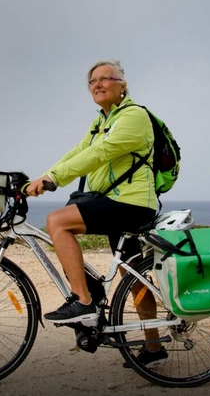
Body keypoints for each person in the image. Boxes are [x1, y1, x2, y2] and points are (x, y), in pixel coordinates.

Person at [26, 60, 167, 367]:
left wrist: (53, 179)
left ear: (122, 86)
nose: (98, 84)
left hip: (130, 203)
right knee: (135, 279)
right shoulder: (102, 120)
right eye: (93, 81)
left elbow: (99, 153)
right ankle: (155, 348)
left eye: (107, 78)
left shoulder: (133, 116)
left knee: (57, 222)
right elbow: (79, 151)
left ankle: (83, 301)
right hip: (116, 202)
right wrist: (44, 175)